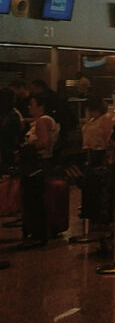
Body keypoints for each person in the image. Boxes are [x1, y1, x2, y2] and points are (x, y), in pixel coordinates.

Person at [19, 92, 60, 248]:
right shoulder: (46, 120)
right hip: (44, 163)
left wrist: (27, 148)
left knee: (33, 200)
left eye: (32, 104)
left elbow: (44, 142)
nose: (29, 107)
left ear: (41, 106)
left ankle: (37, 234)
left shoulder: (42, 122)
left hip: (37, 164)